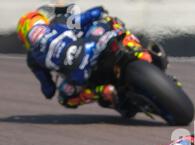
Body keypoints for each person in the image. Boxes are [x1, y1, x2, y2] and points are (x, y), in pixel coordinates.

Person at [17, 4, 150, 113]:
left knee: (64, 98)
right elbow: (90, 16)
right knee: (111, 23)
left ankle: (101, 91)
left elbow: (48, 90)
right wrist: (99, 11)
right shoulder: (58, 22)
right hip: (91, 49)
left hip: (79, 75)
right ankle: (136, 51)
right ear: (43, 21)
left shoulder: (32, 58)